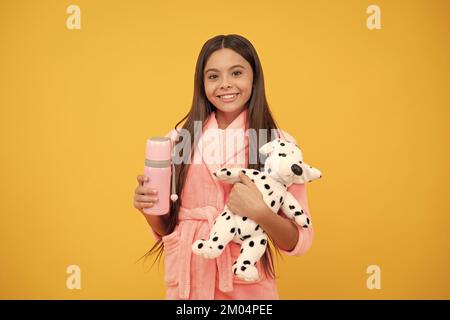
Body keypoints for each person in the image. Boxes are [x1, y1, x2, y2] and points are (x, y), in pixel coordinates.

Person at [133, 34, 314, 300]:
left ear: (254, 78)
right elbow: (165, 228)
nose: (225, 84)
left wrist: (262, 213)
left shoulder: (277, 145)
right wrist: (148, 208)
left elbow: (299, 240)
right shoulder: (180, 140)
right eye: (213, 76)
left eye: (237, 73)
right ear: (202, 83)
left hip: (245, 288)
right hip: (189, 286)